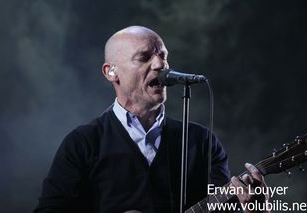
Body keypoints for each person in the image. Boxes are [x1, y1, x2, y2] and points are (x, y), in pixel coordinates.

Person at [34, 26, 268, 213]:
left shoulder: (201, 141)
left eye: (162, 56)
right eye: (144, 57)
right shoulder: (83, 143)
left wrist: (256, 211)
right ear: (111, 72)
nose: (160, 64)